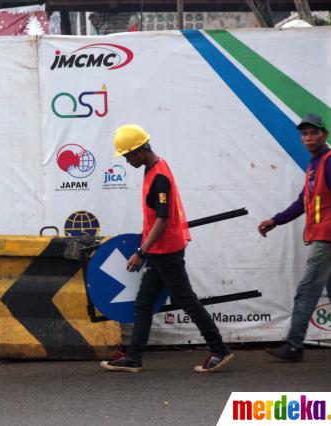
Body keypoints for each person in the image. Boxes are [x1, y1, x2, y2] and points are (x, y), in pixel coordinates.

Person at [100, 124, 234, 373]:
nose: (127, 161)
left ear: (141, 150)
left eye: (128, 156)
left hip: (167, 252)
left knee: (187, 301)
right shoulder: (153, 169)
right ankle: (133, 357)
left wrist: (141, 252)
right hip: (160, 252)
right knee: (143, 304)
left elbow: (162, 219)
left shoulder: (158, 177)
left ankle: (220, 350)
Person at [258, 113, 331, 361]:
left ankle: (294, 346)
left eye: (313, 133)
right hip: (325, 237)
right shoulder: (315, 164)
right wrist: (276, 220)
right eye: (304, 134)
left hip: (328, 238)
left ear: (325, 135)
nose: (307, 138)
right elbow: (303, 202)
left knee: (306, 290)